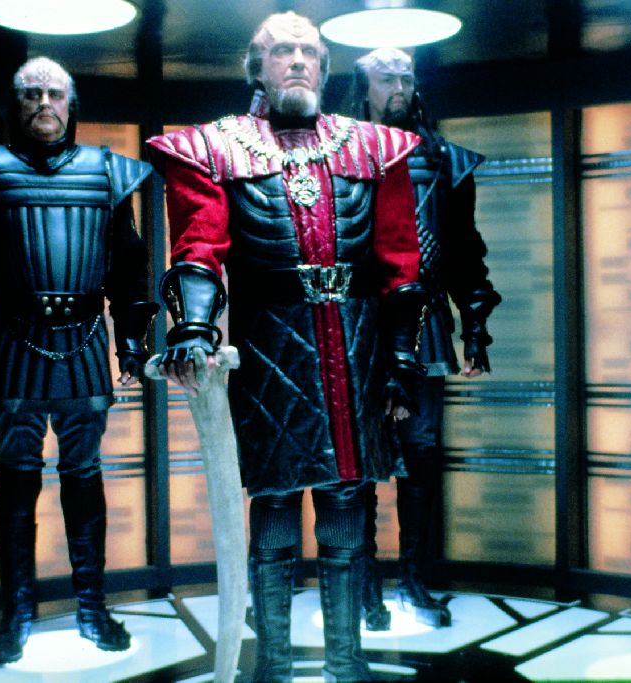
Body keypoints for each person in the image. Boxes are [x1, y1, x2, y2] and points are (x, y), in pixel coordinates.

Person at [146, 13, 426, 682]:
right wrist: (193, 327)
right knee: (273, 510)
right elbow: (199, 245)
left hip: (356, 348)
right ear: (257, 66)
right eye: (281, 51)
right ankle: (271, 666)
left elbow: (398, 261)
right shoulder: (214, 146)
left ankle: (346, 663)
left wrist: (401, 357)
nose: (297, 60)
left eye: (309, 51)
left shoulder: (376, 147)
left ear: (324, 68)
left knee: (345, 506)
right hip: (269, 345)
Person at [0, 56, 157, 665]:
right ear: (15, 104)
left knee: (84, 470)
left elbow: (128, 266)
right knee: (17, 471)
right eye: (31, 94)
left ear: (71, 104)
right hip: (14, 339)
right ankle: (17, 613)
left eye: (55, 93)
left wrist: (131, 343)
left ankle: (92, 608)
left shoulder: (108, 172)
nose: (44, 104)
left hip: (84, 340)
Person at [348, 47, 502, 630]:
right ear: (364, 87)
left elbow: (463, 249)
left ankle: (413, 579)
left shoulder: (443, 160)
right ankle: (363, 582)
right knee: (362, 457)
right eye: (386, 78)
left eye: (406, 78)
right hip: (361, 321)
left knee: (420, 452)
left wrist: (476, 326)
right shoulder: (344, 155)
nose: (399, 88)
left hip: (427, 320)